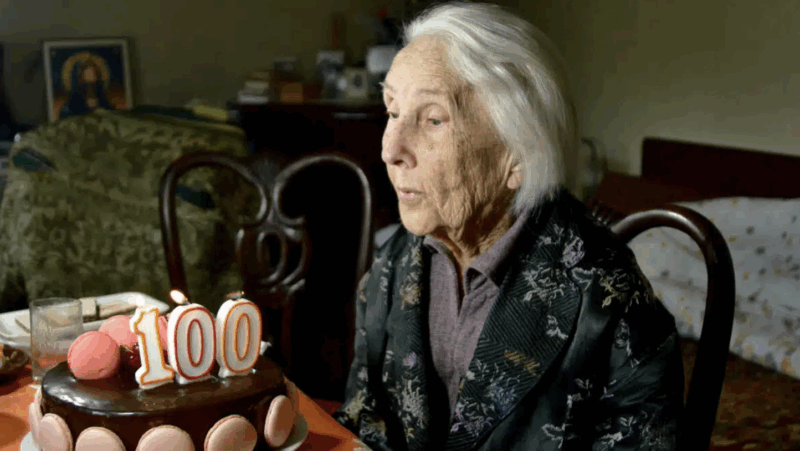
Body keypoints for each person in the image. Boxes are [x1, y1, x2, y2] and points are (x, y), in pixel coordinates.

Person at [332, 2, 684, 450]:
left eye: (433, 119)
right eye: (393, 110)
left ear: (516, 156)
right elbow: (365, 420)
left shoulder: (608, 297)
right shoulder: (392, 267)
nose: (390, 148)